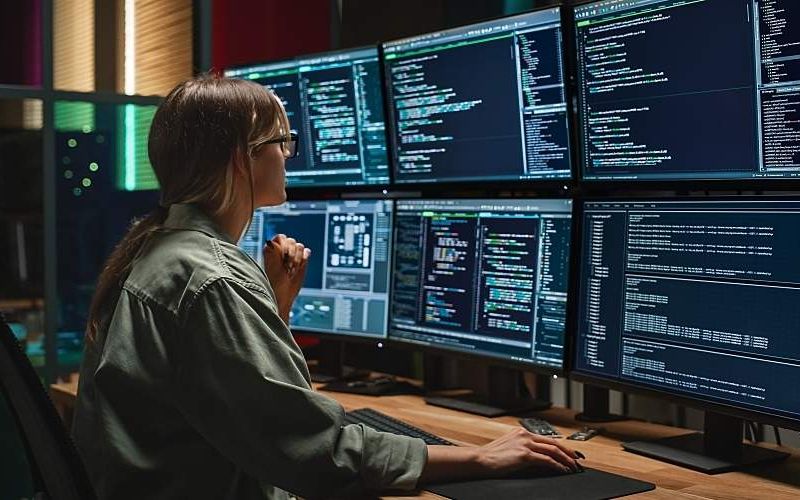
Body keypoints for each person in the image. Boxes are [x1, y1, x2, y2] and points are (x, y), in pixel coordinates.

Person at [71, 75, 580, 500]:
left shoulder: (159, 249)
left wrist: (274, 309)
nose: (289, 155)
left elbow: (235, 403)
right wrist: (480, 456)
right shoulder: (210, 278)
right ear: (240, 159)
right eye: (281, 141)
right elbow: (315, 451)